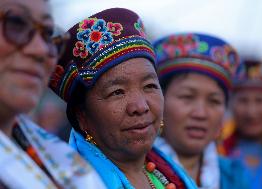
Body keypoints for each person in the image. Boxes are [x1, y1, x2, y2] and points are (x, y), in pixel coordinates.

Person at [49, 7, 198, 189]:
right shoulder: (69, 183)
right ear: (82, 116)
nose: (141, 106)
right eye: (117, 92)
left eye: (150, 86)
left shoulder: (169, 173)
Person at [0, 0, 107, 188]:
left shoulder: (58, 164)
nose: (41, 50)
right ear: (82, 115)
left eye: (48, 34)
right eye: (16, 23)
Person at [153, 33, 249, 189]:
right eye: (187, 97)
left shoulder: (234, 177)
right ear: (160, 100)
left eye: (214, 101)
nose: (200, 113)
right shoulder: (134, 170)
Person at [218, 59, 262, 189]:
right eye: (243, 100)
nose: (251, 112)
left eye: (260, 101)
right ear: (230, 104)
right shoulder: (212, 146)